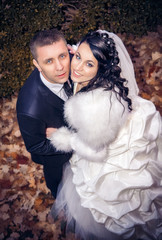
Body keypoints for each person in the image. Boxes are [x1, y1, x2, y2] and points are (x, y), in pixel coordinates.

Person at [47, 30, 162, 240]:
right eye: (78, 57)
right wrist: (78, 53)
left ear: (102, 68)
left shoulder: (93, 109)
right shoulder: (108, 79)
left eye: (89, 64)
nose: (77, 67)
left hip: (102, 153)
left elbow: (96, 152)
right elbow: (84, 59)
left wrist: (65, 138)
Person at [16, 29, 73, 198]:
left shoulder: (76, 65)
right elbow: (35, 146)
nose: (60, 67)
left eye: (62, 56)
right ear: (37, 65)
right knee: (61, 190)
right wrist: (69, 141)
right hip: (58, 159)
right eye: (49, 61)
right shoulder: (30, 109)